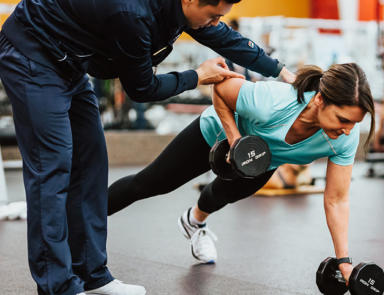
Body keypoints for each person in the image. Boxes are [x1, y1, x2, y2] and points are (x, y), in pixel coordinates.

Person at [0, 0, 295, 294]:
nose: (216, 22)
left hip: (71, 61)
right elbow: (142, 89)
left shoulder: (184, 10)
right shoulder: (132, 14)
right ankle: (58, 286)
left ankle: (92, 275)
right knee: (52, 169)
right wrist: (197, 76)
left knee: (91, 164)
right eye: (213, 15)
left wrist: (283, 73)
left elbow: (223, 36)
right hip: (33, 53)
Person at [108, 63, 376, 284]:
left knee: (223, 194)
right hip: (212, 133)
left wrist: (344, 262)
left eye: (355, 123)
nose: (349, 130)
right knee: (148, 184)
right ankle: (78, 218)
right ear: (319, 99)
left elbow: (337, 200)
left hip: (261, 160)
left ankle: (194, 221)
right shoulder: (273, 101)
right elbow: (221, 87)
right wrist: (234, 139)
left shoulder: (344, 140)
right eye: (343, 119)